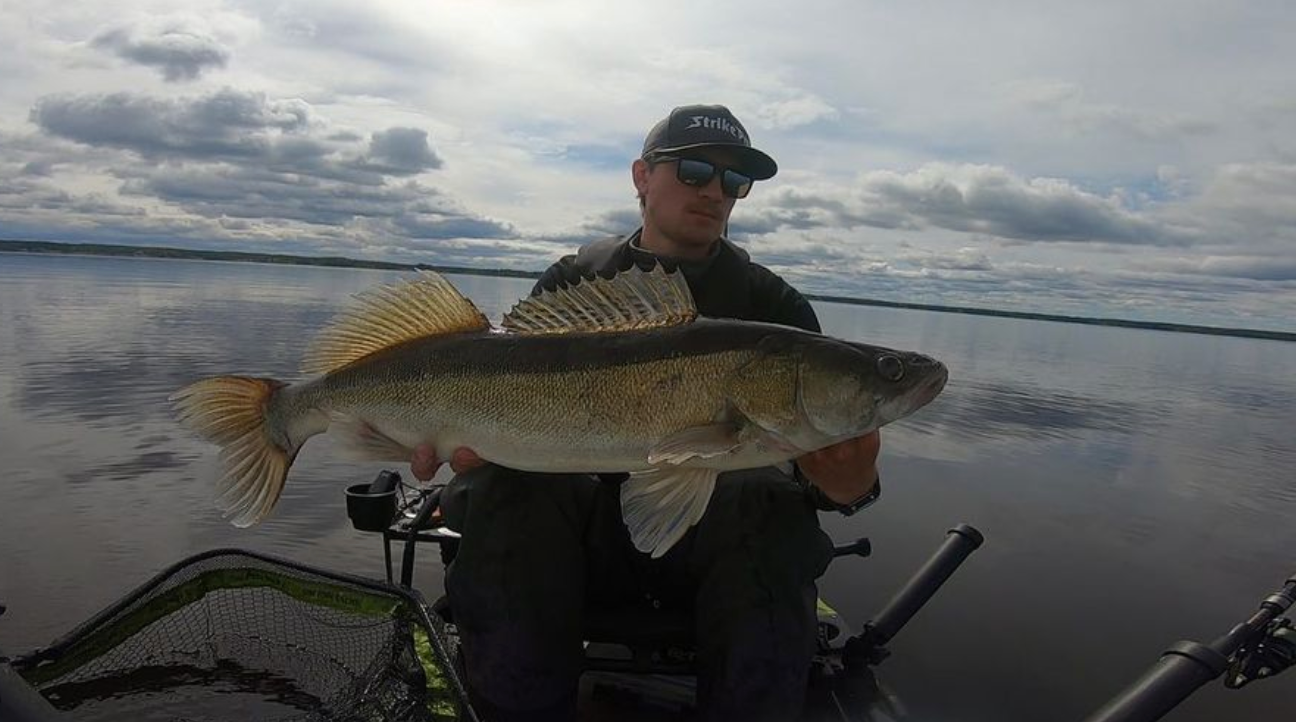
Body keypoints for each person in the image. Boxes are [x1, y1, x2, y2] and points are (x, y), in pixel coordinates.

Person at [411, 104, 882, 721]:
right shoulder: (574, 280)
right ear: (642, 175)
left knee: (764, 498)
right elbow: (505, 391)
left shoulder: (775, 307)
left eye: (734, 180)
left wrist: (850, 489)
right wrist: (467, 445)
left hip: (711, 561)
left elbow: (806, 475)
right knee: (501, 485)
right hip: (571, 554)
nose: (715, 191)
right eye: (694, 170)